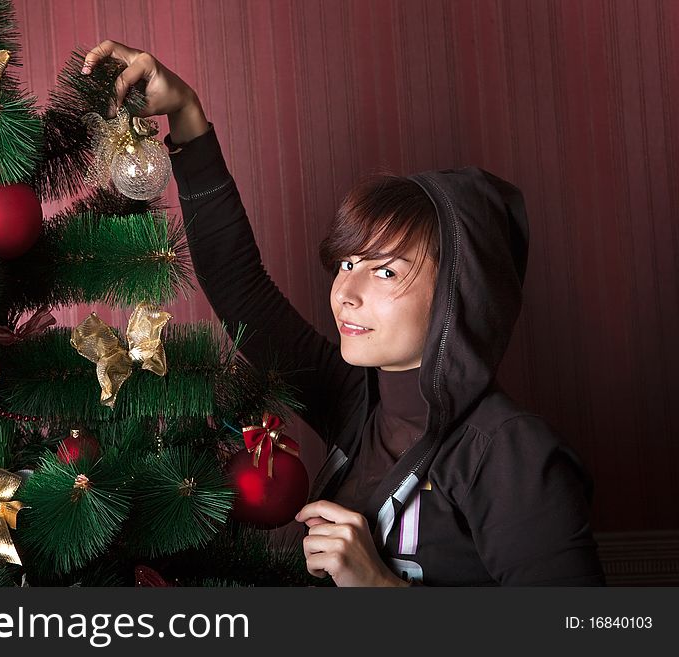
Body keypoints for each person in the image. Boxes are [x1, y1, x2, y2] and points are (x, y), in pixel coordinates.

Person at [82, 41, 606, 587]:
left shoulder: (508, 454)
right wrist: (186, 114)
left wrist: (382, 589)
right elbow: (240, 289)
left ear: (460, 291)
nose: (345, 292)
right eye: (348, 262)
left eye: (385, 271)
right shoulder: (355, 400)